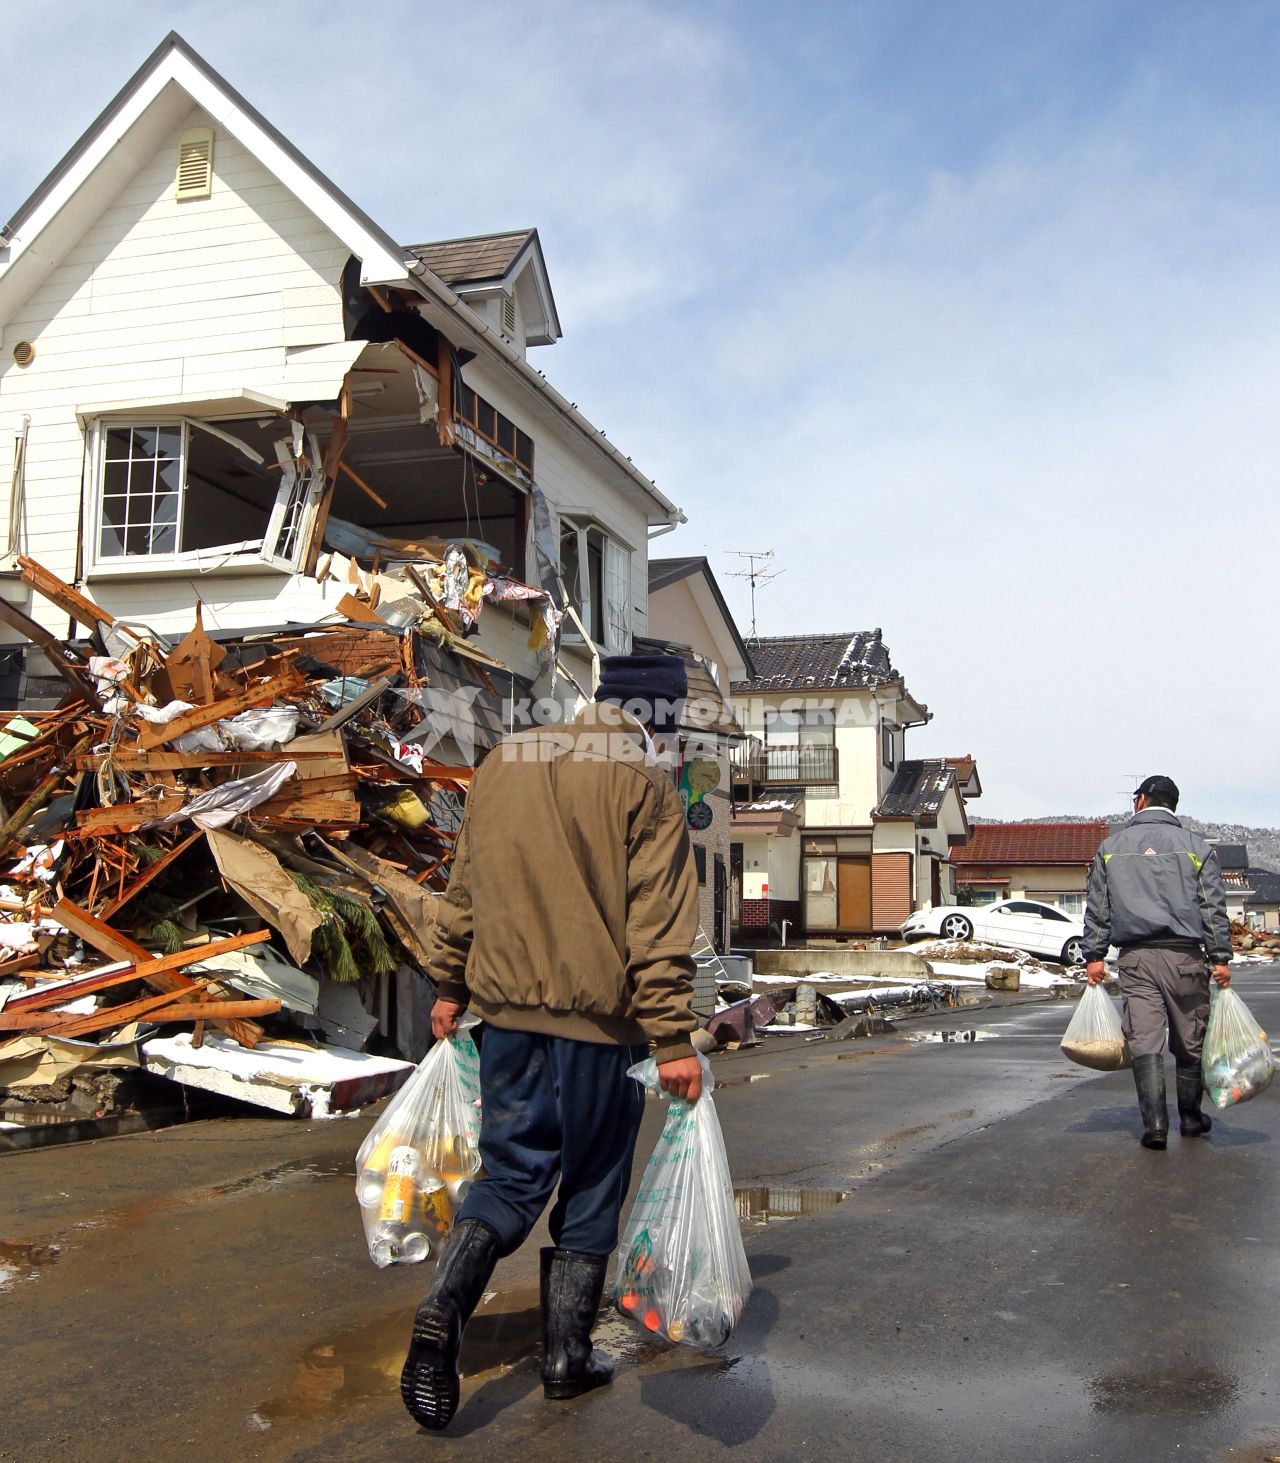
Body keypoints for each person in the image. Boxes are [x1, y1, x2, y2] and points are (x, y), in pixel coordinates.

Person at [400, 653, 702, 1431]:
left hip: (504, 1019)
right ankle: (567, 1358)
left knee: (507, 1176)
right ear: (659, 715)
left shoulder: (506, 763)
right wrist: (671, 1037)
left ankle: (442, 1307)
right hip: (596, 1027)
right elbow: (656, 925)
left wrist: (448, 985)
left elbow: (461, 890)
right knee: (594, 1182)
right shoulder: (643, 781)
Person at [1082, 774, 1233, 1149]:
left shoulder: (1111, 848)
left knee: (1146, 1040)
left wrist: (1095, 955)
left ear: (1142, 801)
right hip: (1185, 958)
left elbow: (1099, 906)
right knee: (1189, 1040)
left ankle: (1154, 1127)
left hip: (1136, 959)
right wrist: (1220, 957)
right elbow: (1212, 907)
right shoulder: (1198, 848)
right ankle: (1192, 1119)